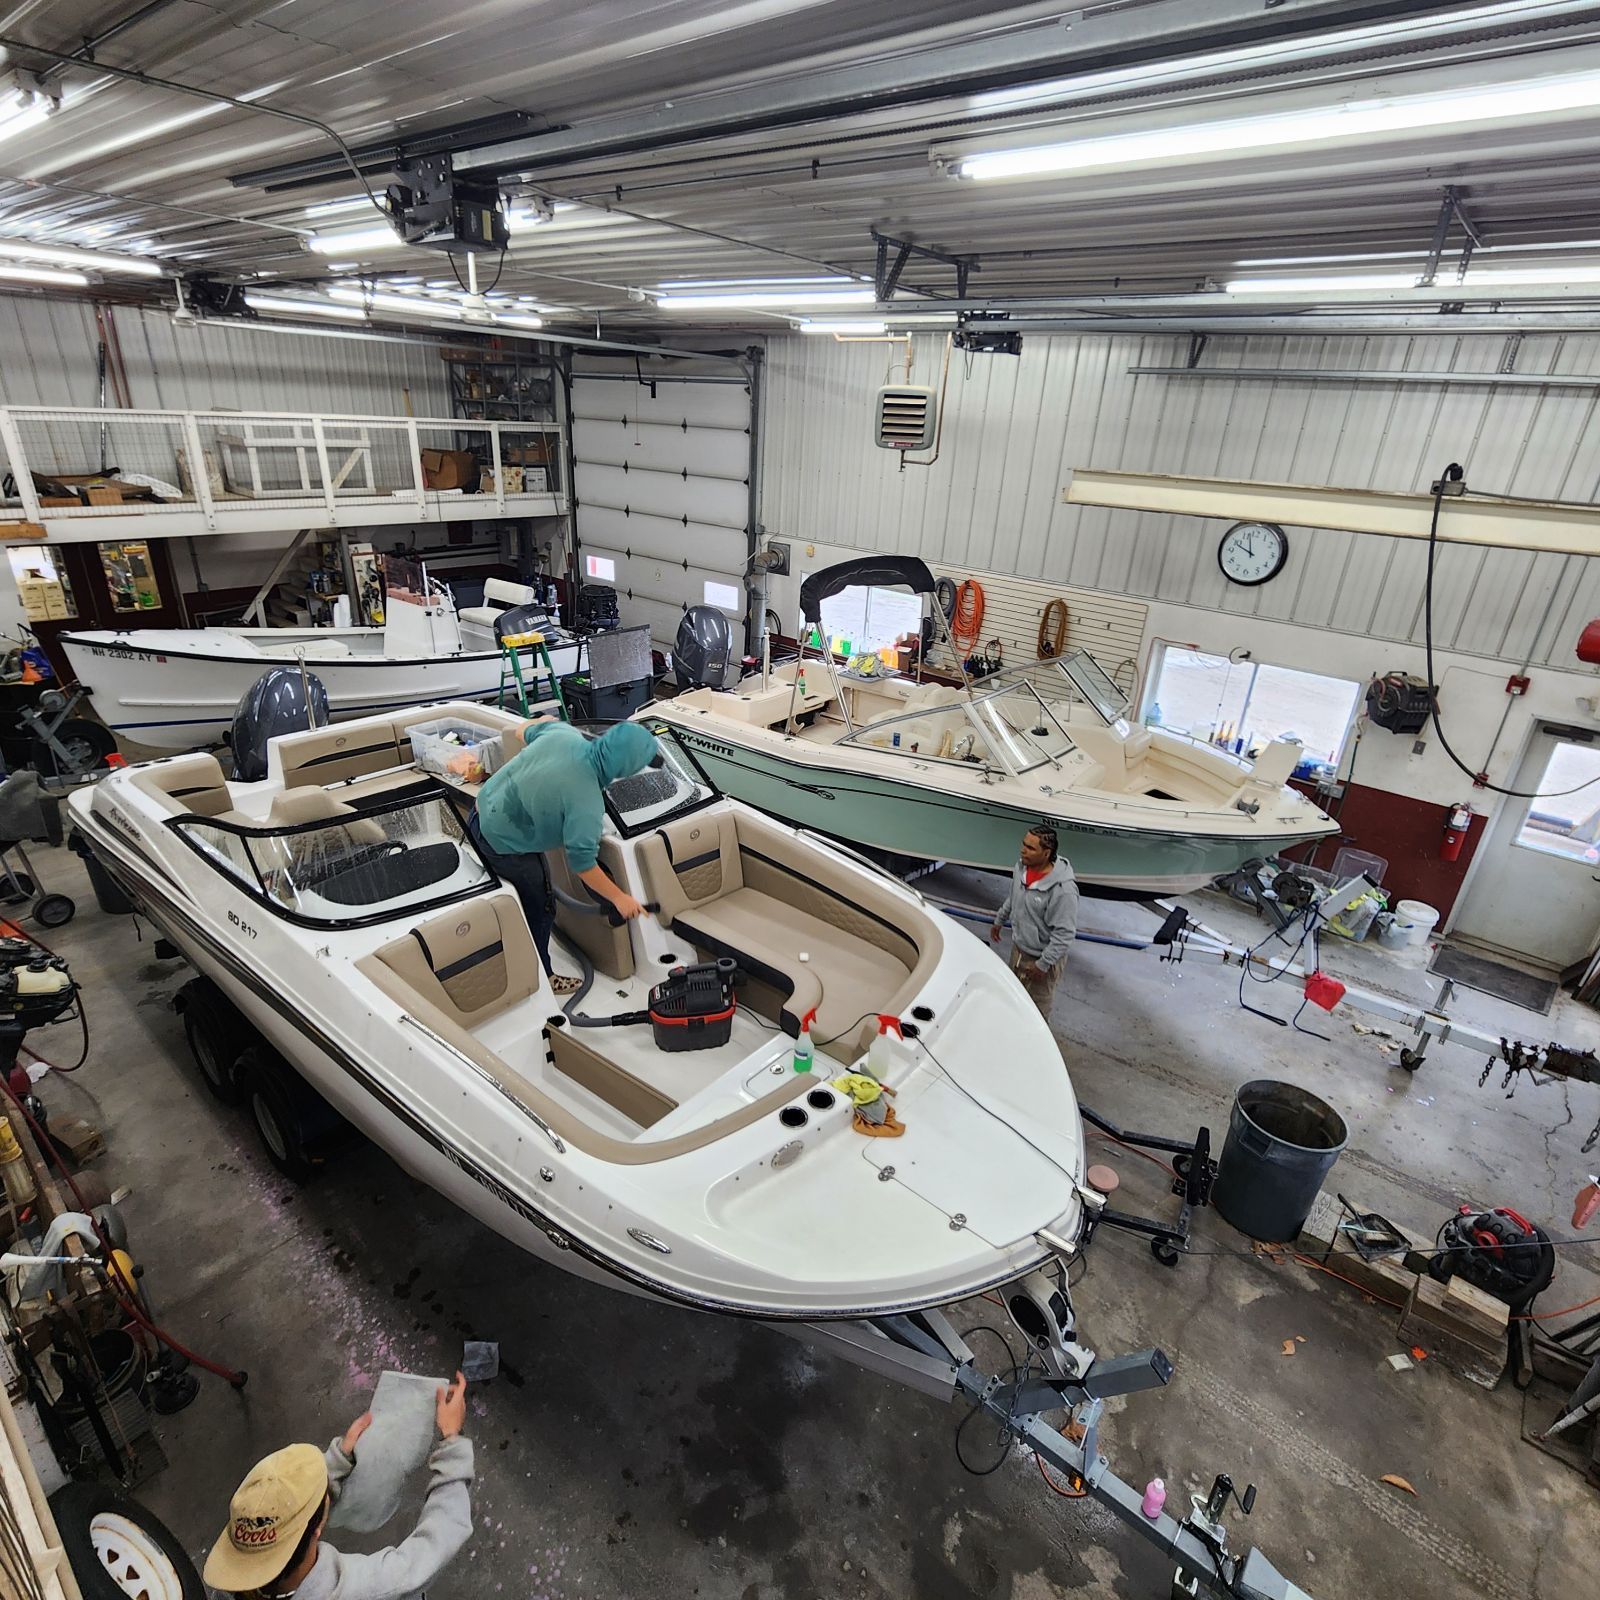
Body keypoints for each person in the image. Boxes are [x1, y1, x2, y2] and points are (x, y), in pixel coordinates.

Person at [203, 1371, 472, 1600]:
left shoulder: (230, 1587)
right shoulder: (361, 1591)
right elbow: (429, 1551)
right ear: (318, 1527)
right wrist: (452, 1440)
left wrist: (338, 1460)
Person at [468, 719, 658, 994]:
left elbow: (523, 730)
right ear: (625, 770)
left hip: (479, 810)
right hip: (501, 842)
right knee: (542, 906)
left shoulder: (563, 734)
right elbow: (582, 864)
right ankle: (541, 977)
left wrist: (547, 722)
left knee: (536, 891)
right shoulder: (587, 803)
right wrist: (620, 898)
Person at [989, 823, 1078, 1018]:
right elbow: (1014, 896)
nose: (1023, 850)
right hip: (1019, 949)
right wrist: (1000, 919)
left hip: (1041, 959)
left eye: (1030, 848)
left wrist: (1043, 964)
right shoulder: (1022, 869)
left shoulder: (1063, 891)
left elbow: (1064, 935)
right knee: (1012, 1001)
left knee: (1035, 1012)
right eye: (1023, 844)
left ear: (1046, 853)